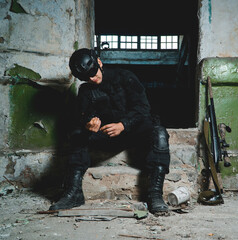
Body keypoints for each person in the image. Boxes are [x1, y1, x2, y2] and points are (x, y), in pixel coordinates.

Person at [49, 48, 170, 214]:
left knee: (159, 133)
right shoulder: (85, 91)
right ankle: (73, 192)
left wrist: (123, 125)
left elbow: (143, 108)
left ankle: (155, 194)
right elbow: (81, 116)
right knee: (77, 135)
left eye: (93, 72)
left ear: (99, 62)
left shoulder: (125, 77)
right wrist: (88, 123)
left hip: (134, 131)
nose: (92, 78)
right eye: (86, 77)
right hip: (107, 136)